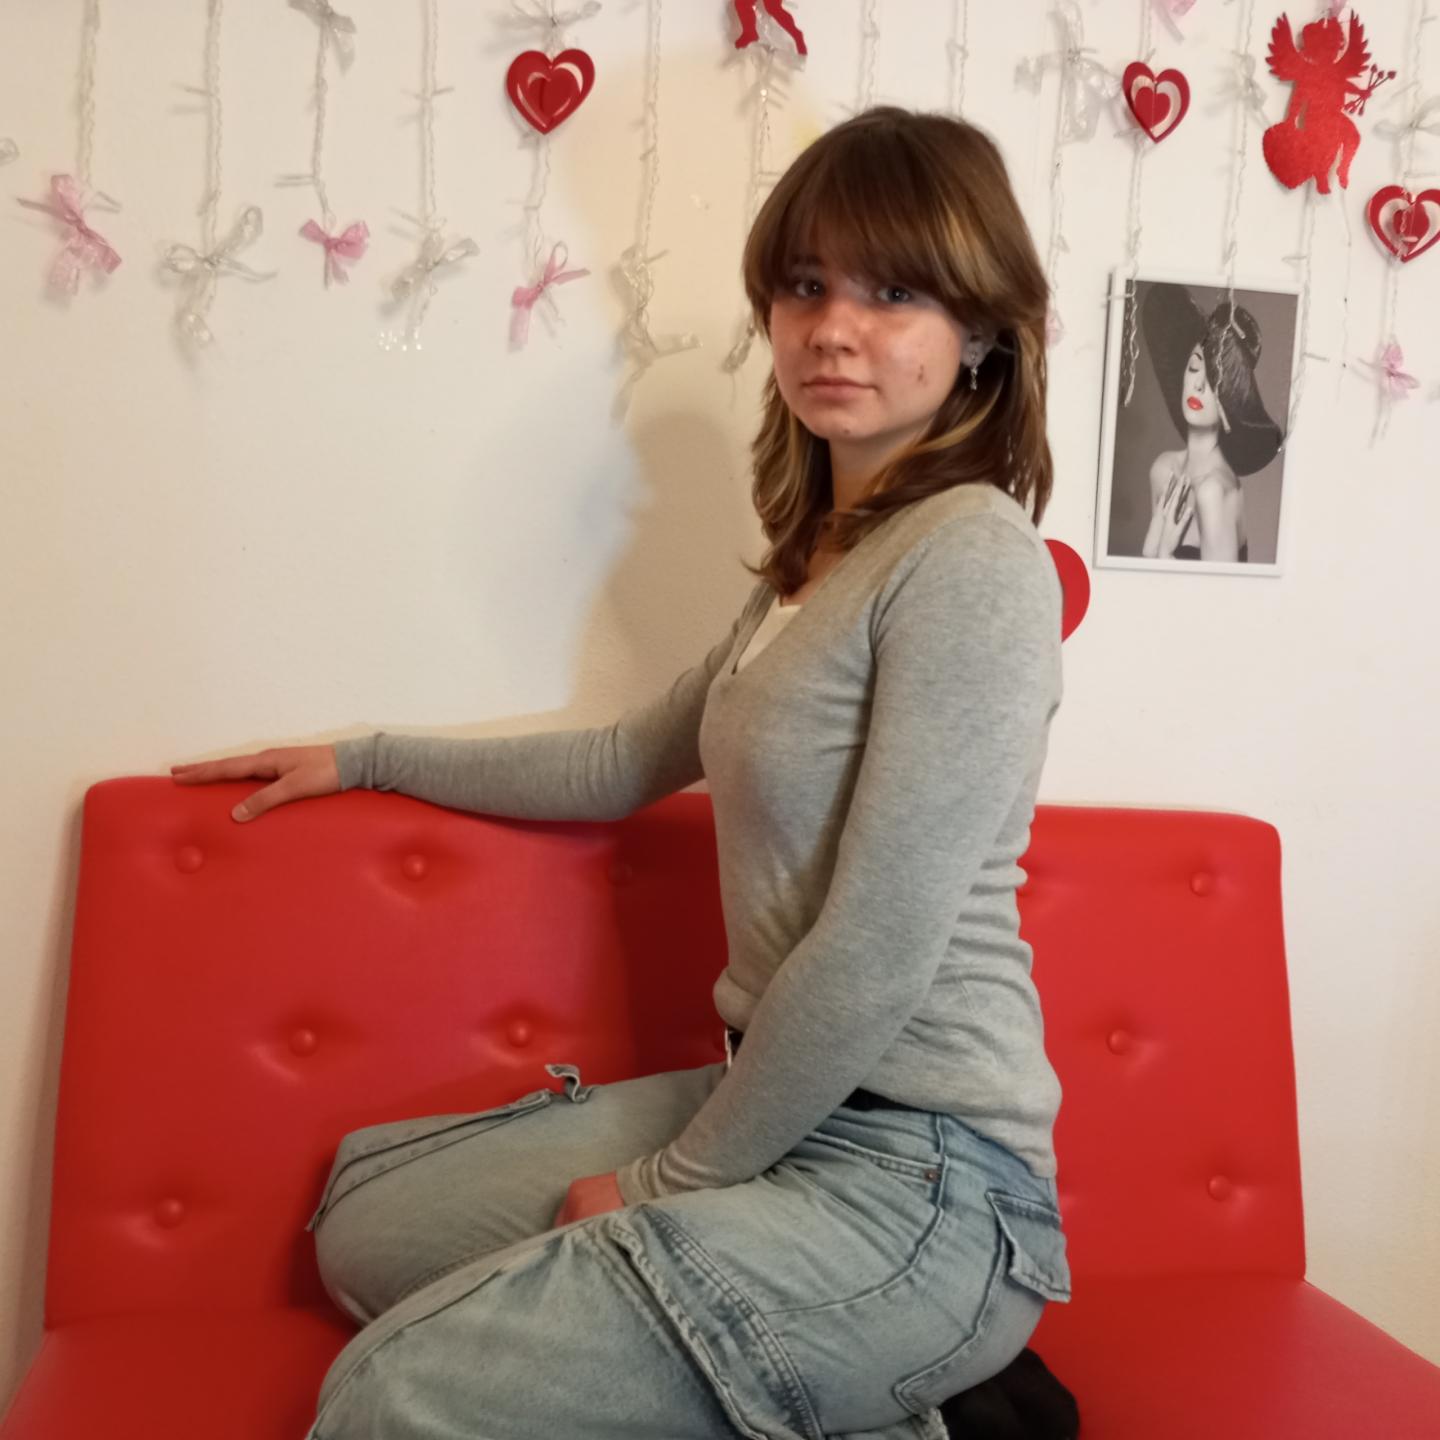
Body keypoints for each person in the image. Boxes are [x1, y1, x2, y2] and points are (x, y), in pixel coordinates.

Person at [170, 105, 1073, 1440]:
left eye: (894, 294)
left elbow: (877, 953)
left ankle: (905, 1372)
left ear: (982, 331)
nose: (834, 329)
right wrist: (364, 757)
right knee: (367, 1222)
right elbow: (617, 761)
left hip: (926, 1176)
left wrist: (667, 1184)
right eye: (806, 286)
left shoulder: (975, 558)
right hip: (780, 1102)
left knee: (381, 1400)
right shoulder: (817, 568)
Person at [1138, 285, 1284, 564]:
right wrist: (1150, 551)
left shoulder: (1213, 490)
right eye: (1194, 367)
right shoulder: (1162, 469)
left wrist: (1164, 554)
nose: (1198, 385)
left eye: (1214, 381)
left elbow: (1220, 593)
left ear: (1230, 399)